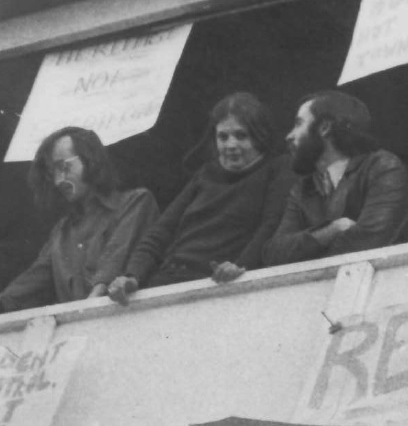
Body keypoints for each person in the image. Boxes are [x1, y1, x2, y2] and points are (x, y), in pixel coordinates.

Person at [108, 92, 294, 304]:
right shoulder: (205, 174)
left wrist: (241, 265)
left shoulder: (277, 169)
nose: (231, 145)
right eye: (223, 137)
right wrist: (133, 275)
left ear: (260, 137)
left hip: (218, 287)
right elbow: (160, 232)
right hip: (166, 281)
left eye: (241, 136)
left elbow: (270, 226)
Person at [0, 127, 159, 318]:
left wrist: (86, 312)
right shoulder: (61, 232)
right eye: (52, 173)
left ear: (91, 160)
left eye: (64, 167)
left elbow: (113, 261)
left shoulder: (135, 202)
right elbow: (30, 283)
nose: (58, 181)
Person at [262, 90, 408, 267]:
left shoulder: (383, 167)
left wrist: (308, 254)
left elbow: (367, 243)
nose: (289, 136)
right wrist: (332, 229)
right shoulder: (302, 189)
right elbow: (274, 254)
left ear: (324, 127)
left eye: (299, 124)